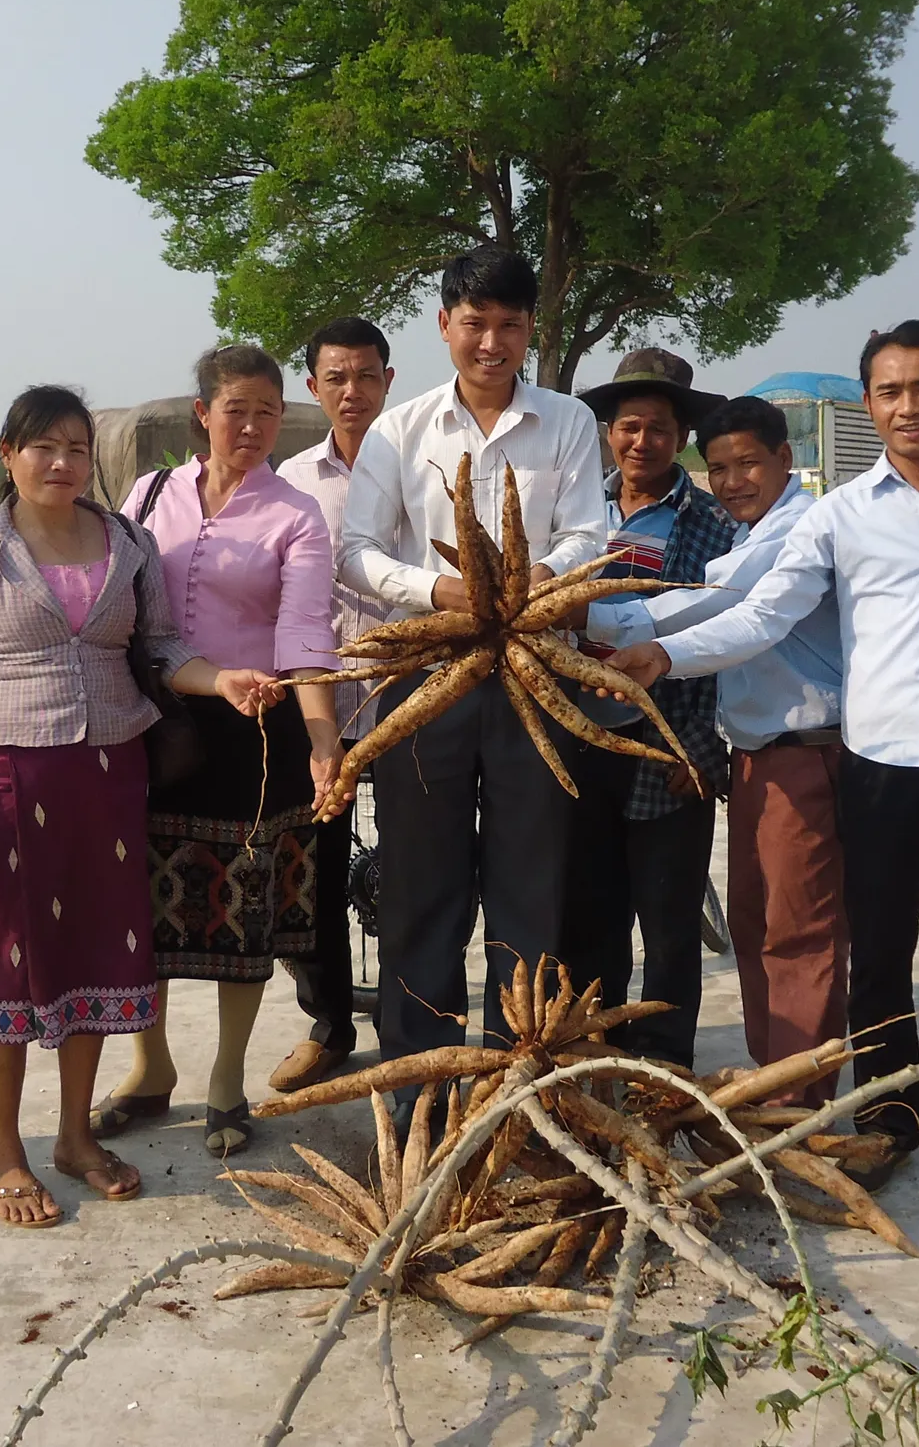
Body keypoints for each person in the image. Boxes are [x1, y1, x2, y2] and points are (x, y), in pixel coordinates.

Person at [611, 322, 919, 1218]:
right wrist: (667, 656)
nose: (907, 407)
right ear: (868, 406)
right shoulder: (844, 515)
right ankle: (889, 1123)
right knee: (879, 958)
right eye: (888, 393)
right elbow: (761, 613)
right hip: (879, 767)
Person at [0, 386, 282, 1224]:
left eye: (77, 449)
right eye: (41, 447)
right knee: (14, 955)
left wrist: (220, 679)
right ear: (7, 456)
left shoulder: (126, 539)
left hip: (115, 771)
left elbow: (161, 646)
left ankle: (74, 1137)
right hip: (17, 776)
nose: (60, 463)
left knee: (96, 950)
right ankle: (4, 1154)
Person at [339, 245, 605, 1119]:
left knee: (533, 878)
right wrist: (443, 591)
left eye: (511, 326)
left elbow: (587, 538)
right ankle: (421, 1081)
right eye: (475, 323)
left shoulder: (567, 423)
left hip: (535, 674)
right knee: (423, 883)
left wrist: (528, 584)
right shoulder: (399, 430)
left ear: (532, 331)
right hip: (429, 672)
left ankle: (519, 1075)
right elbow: (358, 552)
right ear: (444, 324)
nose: (492, 342)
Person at [91, 345, 341, 1156]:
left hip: (252, 733)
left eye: (269, 411)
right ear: (203, 413)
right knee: (143, 909)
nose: (253, 426)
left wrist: (322, 735)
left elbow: (306, 629)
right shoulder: (149, 492)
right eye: (237, 408)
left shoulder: (295, 513)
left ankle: (227, 1079)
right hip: (154, 723)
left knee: (244, 913)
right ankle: (150, 1070)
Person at [590, 396, 847, 1101]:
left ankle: (796, 1100)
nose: (734, 481)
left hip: (806, 750)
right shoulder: (740, 528)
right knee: (758, 926)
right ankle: (777, 1083)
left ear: (784, 460)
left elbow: (732, 608)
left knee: (796, 933)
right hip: (757, 754)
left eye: (750, 465)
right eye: (723, 468)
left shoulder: (795, 529)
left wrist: (591, 619)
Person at [562, 350, 733, 1070]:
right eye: (629, 426)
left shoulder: (715, 526)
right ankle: (600, 1050)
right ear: (608, 432)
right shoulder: (575, 511)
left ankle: (665, 1066)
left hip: (671, 748)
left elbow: (721, 633)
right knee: (589, 919)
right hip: (577, 744)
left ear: (681, 436)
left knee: (667, 926)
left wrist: (698, 748)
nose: (642, 442)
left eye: (659, 429)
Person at [269, 316, 396, 1095]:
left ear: (388, 379)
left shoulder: (421, 466)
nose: (352, 391)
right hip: (319, 705)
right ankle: (329, 1024)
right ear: (313, 388)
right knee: (310, 870)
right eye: (336, 378)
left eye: (367, 375)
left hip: (411, 696)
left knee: (419, 868)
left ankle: (412, 1021)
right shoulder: (290, 481)